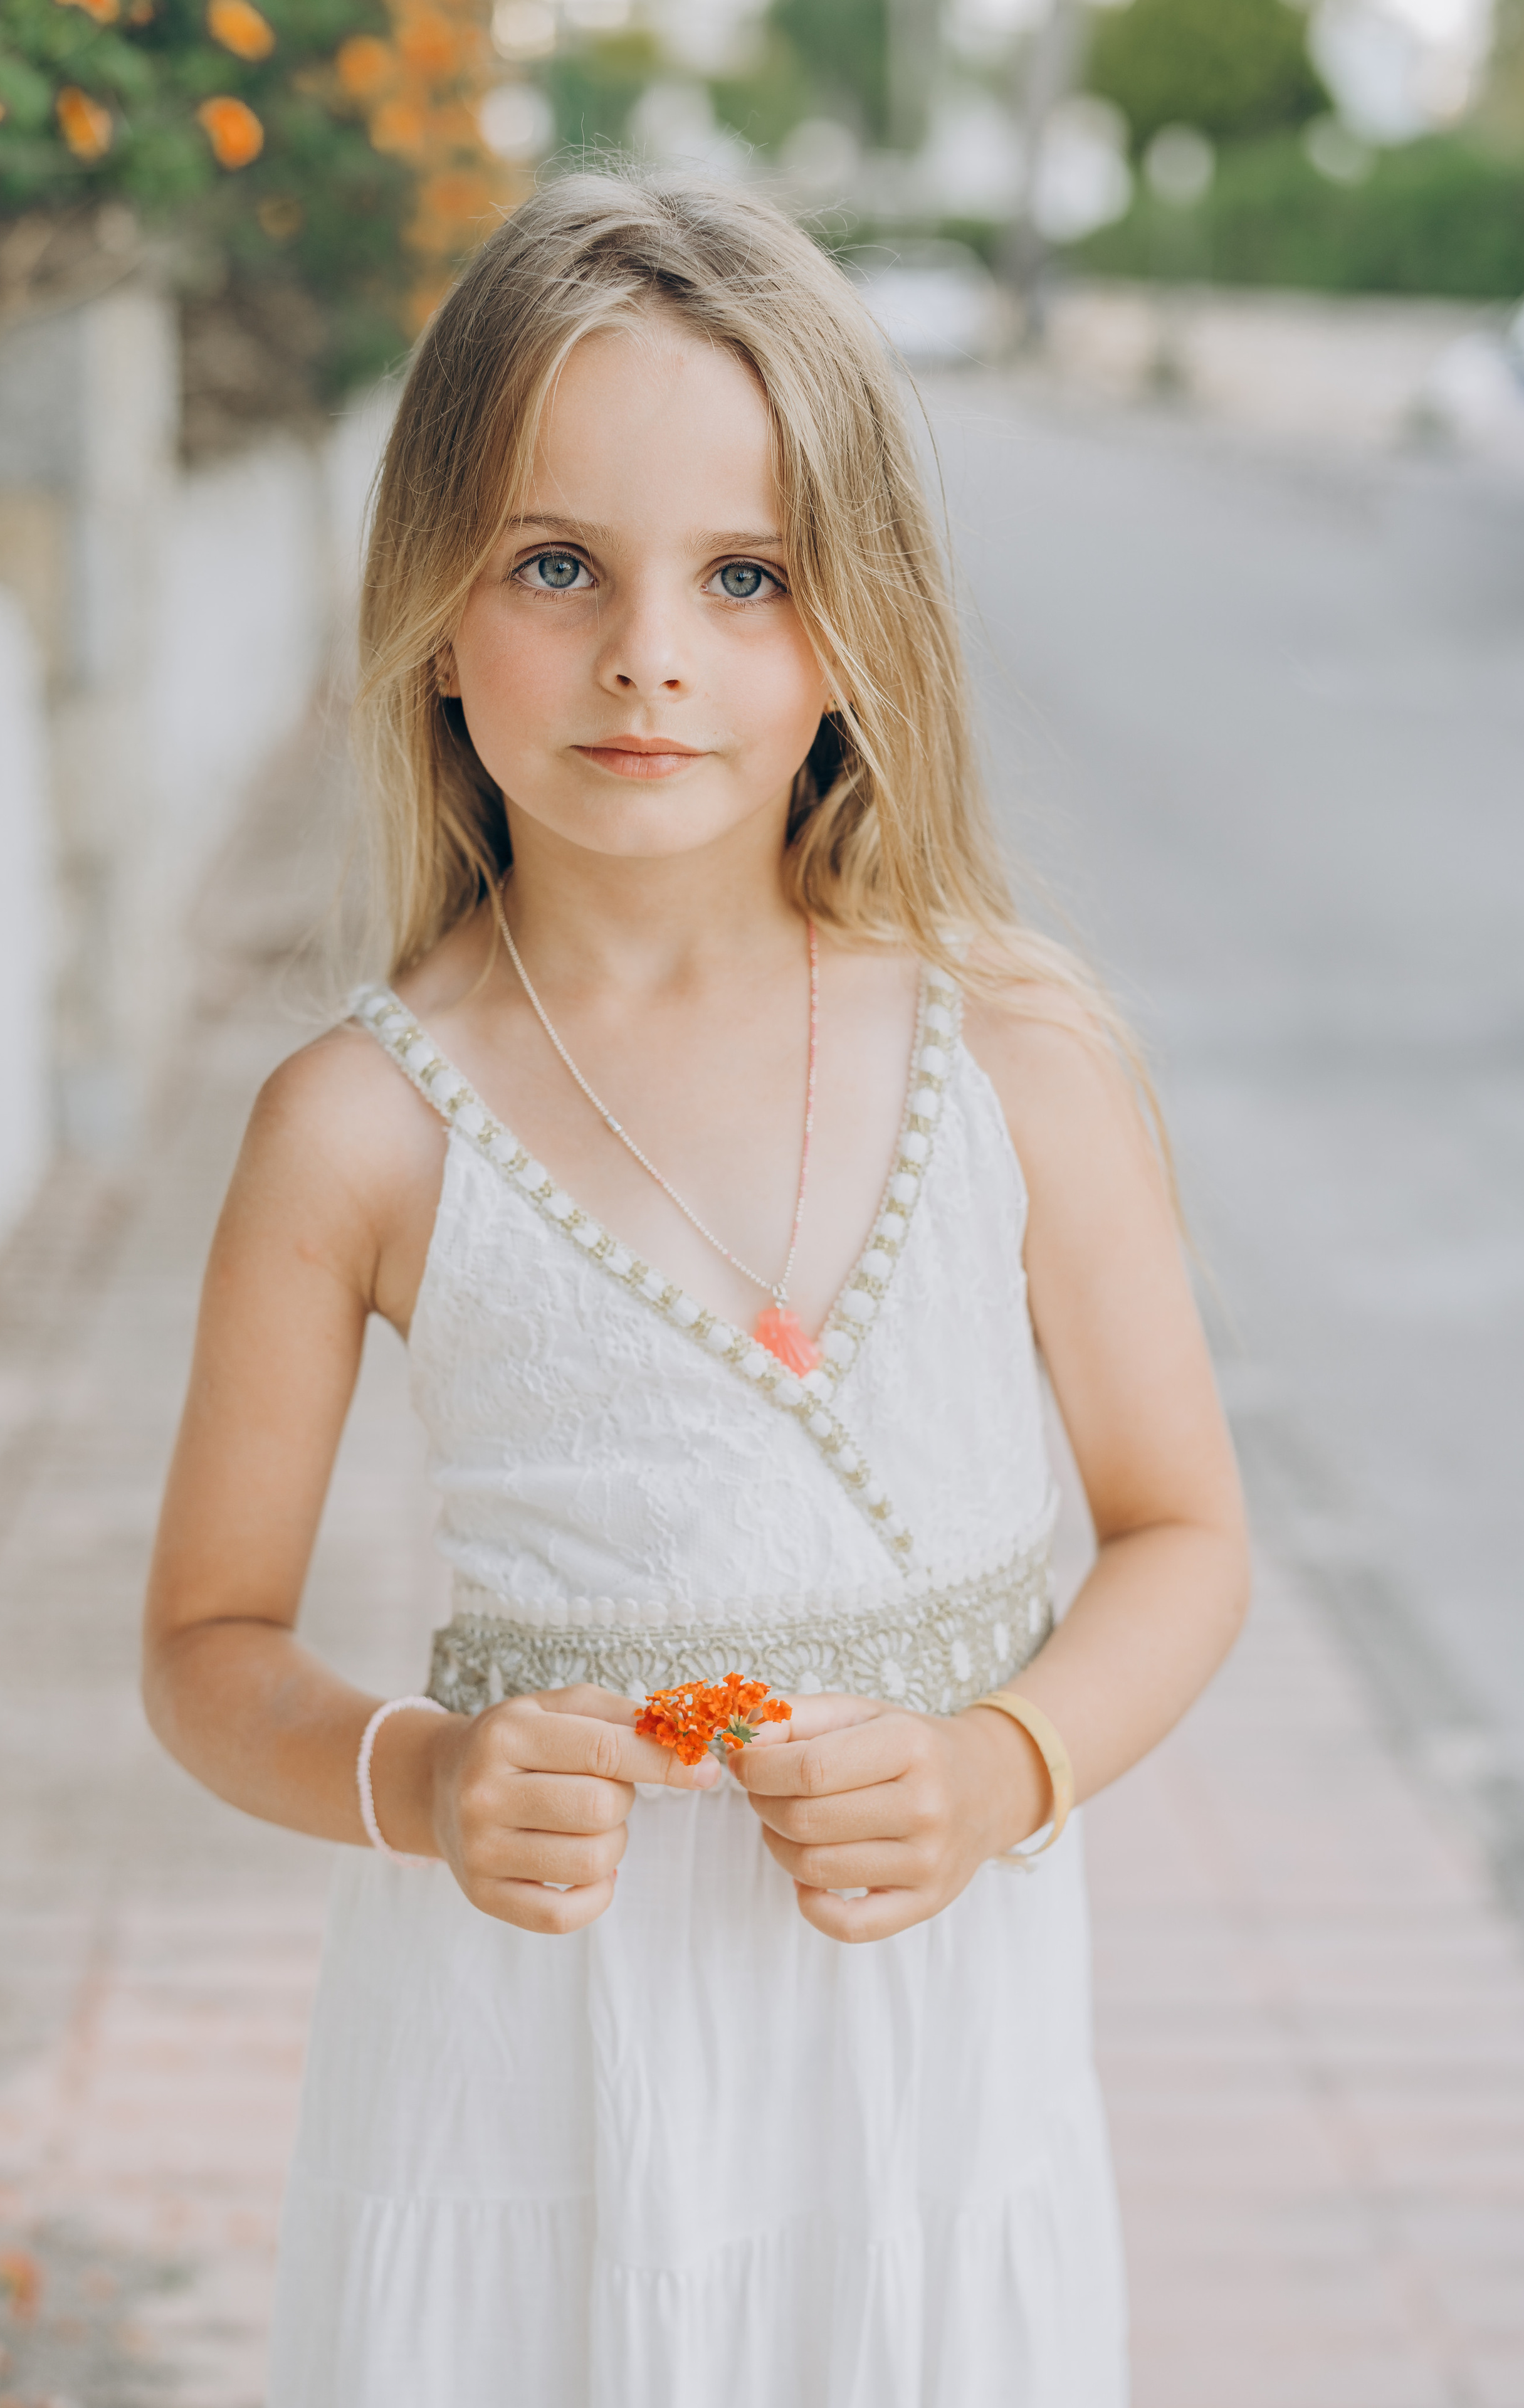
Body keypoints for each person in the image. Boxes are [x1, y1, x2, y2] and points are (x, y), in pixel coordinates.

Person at [142, 171, 1249, 2407]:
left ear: (857, 631)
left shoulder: (1018, 1053)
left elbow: (1184, 1537)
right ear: (435, 614)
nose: (651, 648)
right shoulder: (358, 1126)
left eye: (746, 577)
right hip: (527, 2066)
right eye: (559, 566)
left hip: (921, 2061)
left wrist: (1001, 1763)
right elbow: (201, 1647)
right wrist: (420, 1772)